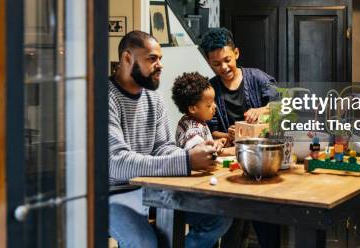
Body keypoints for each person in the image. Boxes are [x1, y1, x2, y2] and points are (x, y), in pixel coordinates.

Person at [108, 30, 232, 248]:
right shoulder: (104, 98)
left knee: (218, 218)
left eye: (160, 59)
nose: (160, 65)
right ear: (127, 58)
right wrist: (186, 161)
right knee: (144, 243)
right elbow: (116, 163)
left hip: (151, 189)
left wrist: (193, 152)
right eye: (152, 58)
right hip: (111, 195)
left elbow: (162, 147)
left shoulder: (153, 100)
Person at [199, 27, 280, 248]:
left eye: (227, 60)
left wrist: (262, 111)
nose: (223, 67)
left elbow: (282, 105)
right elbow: (210, 129)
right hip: (231, 163)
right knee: (231, 225)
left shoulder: (257, 77)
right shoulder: (211, 88)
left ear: (236, 53)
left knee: (266, 223)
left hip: (262, 163)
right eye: (216, 64)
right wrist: (228, 134)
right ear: (209, 63)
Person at [172, 71, 233, 155]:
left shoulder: (191, 120)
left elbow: (202, 143)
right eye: (209, 105)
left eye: (213, 102)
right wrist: (228, 151)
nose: (215, 106)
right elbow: (201, 154)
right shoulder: (192, 130)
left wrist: (215, 143)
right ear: (193, 109)